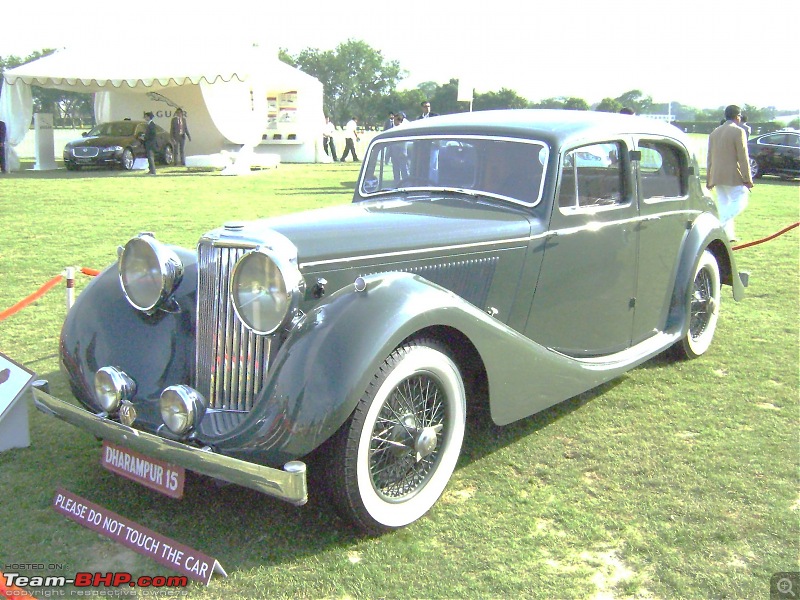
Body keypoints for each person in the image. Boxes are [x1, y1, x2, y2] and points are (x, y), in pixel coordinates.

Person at [706, 104, 754, 241]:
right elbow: (743, 157)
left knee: (724, 204)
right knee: (741, 201)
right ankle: (716, 224)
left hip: (717, 175)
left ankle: (728, 235)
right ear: (737, 117)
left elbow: (709, 157)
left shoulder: (714, 132)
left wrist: (709, 178)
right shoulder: (738, 131)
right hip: (732, 175)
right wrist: (747, 179)